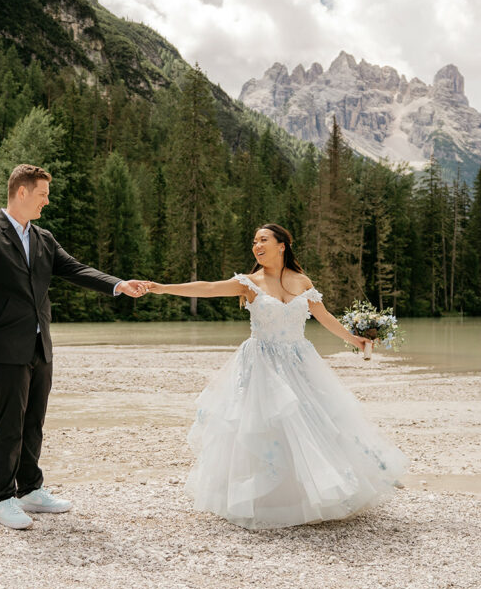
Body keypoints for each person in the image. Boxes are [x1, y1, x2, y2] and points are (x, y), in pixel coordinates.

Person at [147, 224, 409, 529]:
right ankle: (271, 501)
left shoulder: (302, 281)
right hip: (261, 363)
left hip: (300, 361)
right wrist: (161, 287)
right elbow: (207, 287)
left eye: (263, 240)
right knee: (264, 426)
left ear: (282, 245)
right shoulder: (248, 283)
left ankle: (323, 491)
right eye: (254, 241)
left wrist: (355, 340)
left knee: (315, 421)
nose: (257, 245)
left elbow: (324, 318)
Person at [0, 164, 148, 531]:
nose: (47, 200)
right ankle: (2, 498)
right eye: (43, 194)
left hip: (39, 345)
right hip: (1, 347)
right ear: (23, 192)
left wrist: (118, 284)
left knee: (34, 420)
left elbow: (75, 270)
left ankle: (30, 489)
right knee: (8, 420)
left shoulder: (43, 238)